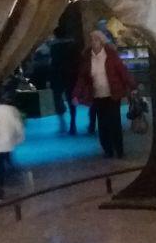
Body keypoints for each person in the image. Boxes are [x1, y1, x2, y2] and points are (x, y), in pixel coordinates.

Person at [72, 30, 137, 160]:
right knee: (102, 124)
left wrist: (132, 86)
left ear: (101, 42)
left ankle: (119, 149)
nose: (93, 42)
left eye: (96, 40)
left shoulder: (111, 56)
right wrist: (76, 94)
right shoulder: (87, 58)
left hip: (112, 93)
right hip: (97, 95)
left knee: (115, 122)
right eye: (91, 40)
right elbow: (82, 77)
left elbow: (122, 71)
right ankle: (108, 149)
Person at [47, 27, 80, 135]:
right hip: (70, 75)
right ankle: (73, 123)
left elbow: (52, 62)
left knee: (57, 98)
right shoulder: (73, 45)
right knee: (71, 98)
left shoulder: (53, 46)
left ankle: (62, 122)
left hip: (57, 75)